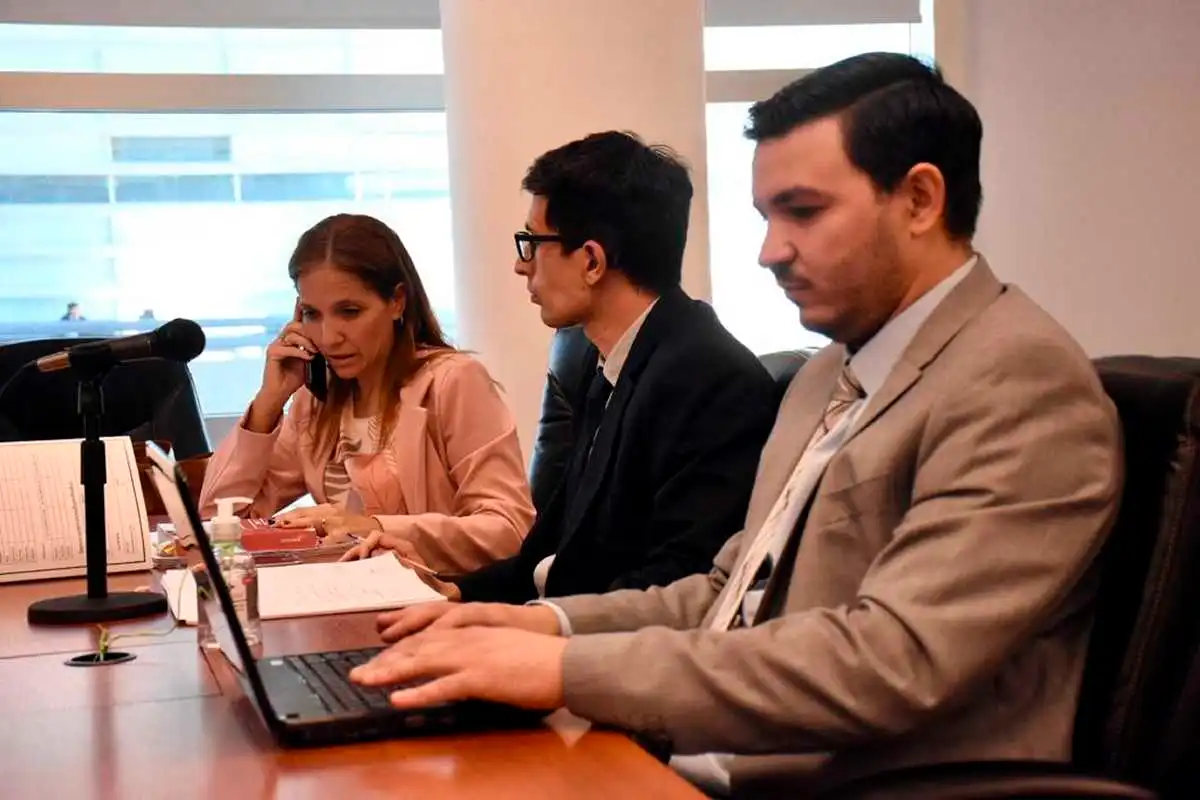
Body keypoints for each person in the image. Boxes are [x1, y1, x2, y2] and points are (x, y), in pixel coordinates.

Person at [346, 53, 1123, 797]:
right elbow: (723, 595)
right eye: (765, 215)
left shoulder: (1019, 379)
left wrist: (560, 673)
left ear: (921, 200)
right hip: (704, 758)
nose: (769, 251)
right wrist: (534, 626)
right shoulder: (828, 372)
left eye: (804, 212)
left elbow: (890, 663)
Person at [346, 131, 777, 604]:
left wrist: (514, 628)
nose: (519, 265)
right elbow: (548, 560)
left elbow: (676, 586)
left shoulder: (709, 378)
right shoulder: (609, 364)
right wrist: (449, 592)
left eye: (531, 242)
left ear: (591, 260)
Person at [198, 214, 534, 575]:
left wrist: (373, 527)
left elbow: (509, 531)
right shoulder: (316, 401)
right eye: (312, 314)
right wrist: (269, 402)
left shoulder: (452, 382)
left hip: (442, 606)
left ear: (397, 302)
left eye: (349, 312)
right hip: (354, 602)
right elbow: (220, 522)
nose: (328, 337)